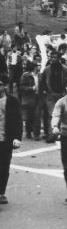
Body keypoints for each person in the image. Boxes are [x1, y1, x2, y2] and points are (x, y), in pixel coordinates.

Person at [0, 74, 23, 204]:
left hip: (6, 139)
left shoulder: (12, 101)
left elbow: (18, 121)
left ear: (4, 86)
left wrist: (17, 138)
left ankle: (1, 193)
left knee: (3, 168)